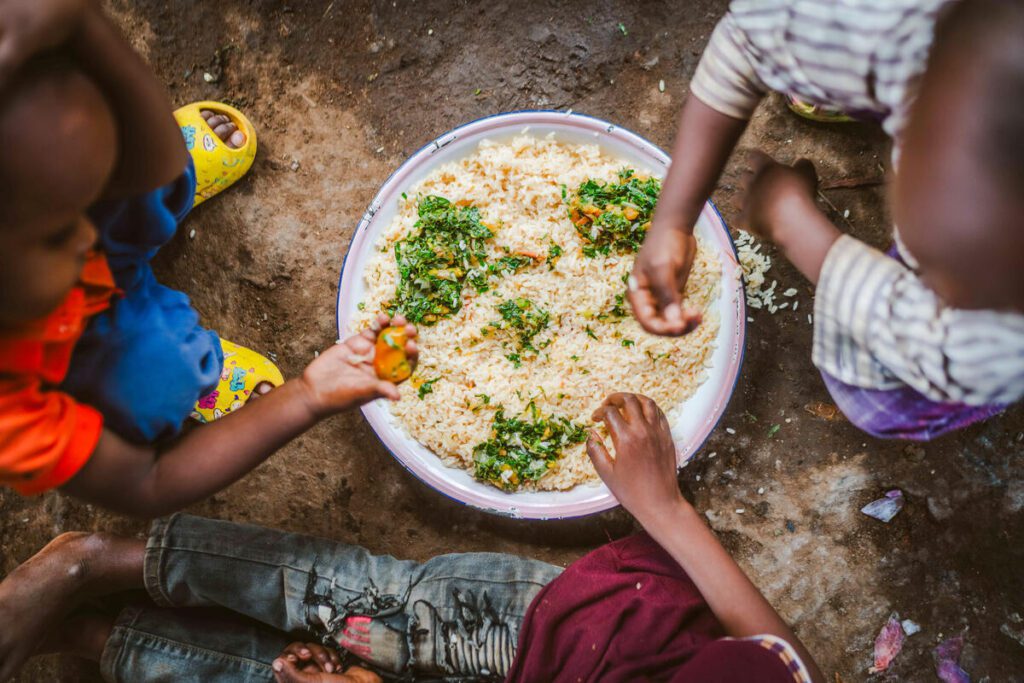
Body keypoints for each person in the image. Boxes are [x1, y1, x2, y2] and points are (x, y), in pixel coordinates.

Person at [0, 394, 824, 682]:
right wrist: (662, 504)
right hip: (555, 634)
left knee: (273, 677)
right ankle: (96, 562)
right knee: (362, 603)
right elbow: (777, 652)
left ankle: (96, 635)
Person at [0, 0, 417, 514]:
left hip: (36, 207)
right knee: (162, 377)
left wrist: (80, 23)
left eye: (87, 206)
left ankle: (122, 174)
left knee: (146, 176)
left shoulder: (46, 229)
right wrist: (306, 395)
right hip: (77, 346)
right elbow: (146, 484)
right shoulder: (10, 415)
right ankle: (189, 374)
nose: (89, 236)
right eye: (58, 231)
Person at [629, 0, 1024, 441]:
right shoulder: (891, 21)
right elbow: (748, 39)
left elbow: (936, 345)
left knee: (883, 405)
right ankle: (843, 78)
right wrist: (672, 218)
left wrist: (795, 225)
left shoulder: (1004, 343)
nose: (933, 282)